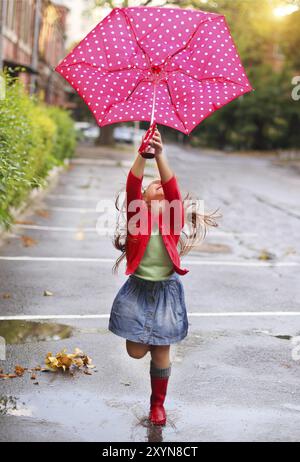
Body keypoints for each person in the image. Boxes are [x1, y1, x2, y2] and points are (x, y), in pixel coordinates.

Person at [108, 128, 220, 426]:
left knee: (161, 352)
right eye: (151, 186)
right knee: (135, 351)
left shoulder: (172, 220)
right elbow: (133, 182)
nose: (158, 185)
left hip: (167, 292)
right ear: (141, 199)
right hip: (138, 290)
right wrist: (142, 155)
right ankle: (148, 342)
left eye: (160, 186)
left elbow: (171, 185)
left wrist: (159, 155)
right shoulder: (137, 219)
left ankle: (157, 406)